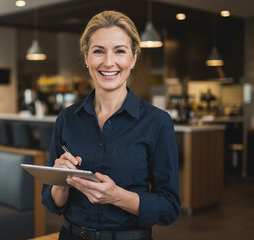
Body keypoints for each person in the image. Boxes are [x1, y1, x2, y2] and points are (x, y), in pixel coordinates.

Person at [41, 10, 180, 240]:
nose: (108, 62)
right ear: (86, 57)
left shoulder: (157, 122)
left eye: (119, 51)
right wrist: (61, 182)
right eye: (98, 51)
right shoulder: (67, 119)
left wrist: (117, 196)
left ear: (133, 58)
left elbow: (169, 208)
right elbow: (52, 202)